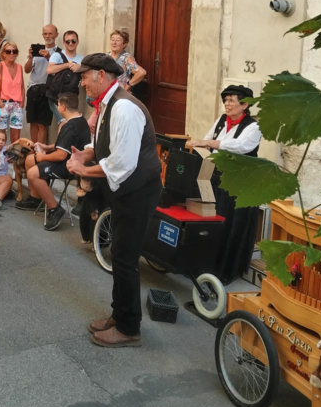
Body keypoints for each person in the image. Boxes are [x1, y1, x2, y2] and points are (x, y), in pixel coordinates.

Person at [66, 54, 163, 349]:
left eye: (85, 77)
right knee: (119, 252)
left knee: (125, 257)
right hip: (127, 190)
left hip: (138, 190)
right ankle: (118, 316)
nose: (81, 83)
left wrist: (84, 169)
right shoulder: (110, 103)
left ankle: (129, 327)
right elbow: (107, 144)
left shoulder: (123, 107)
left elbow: (123, 161)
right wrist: (86, 153)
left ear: (101, 75)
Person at [186, 84, 262, 282]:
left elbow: (240, 147)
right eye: (226, 100)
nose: (227, 104)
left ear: (244, 105)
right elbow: (207, 139)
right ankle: (206, 265)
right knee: (213, 222)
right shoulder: (221, 121)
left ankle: (225, 270)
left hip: (239, 185)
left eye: (231, 100)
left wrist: (211, 144)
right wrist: (199, 144)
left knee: (231, 225)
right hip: (217, 178)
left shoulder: (253, 127)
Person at [17, 92, 92, 228]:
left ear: (63, 107)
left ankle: (55, 209)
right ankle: (35, 199)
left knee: (32, 173)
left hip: (69, 166)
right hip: (69, 160)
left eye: (58, 105)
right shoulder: (80, 120)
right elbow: (64, 146)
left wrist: (43, 156)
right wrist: (46, 146)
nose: (57, 107)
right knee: (29, 160)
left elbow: (60, 156)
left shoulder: (70, 127)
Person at [24, 24, 60, 144]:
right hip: (33, 89)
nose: (47, 36)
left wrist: (49, 57)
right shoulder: (36, 50)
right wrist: (30, 57)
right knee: (33, 122)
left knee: (42, 124)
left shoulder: (59, 53)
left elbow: (59, 70)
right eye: (45, 33)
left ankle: (39, 151)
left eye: (50, 33)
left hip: (48, 90)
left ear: (56, 35)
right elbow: (27, 70)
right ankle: (33, 149)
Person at [45, 30, 84, 122]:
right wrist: (67, 65)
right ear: (64, 43)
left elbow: (85, 78)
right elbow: (49, 70)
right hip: (56, 97)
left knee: (68, 122)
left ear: (77, 42)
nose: (71, 43)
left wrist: (80, 68)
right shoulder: (57, 55)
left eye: (73, 41)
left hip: (72, 98)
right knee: (63, 121)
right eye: (68, 41)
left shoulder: (82, 59)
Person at [0, 39, 25, 143]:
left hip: (16, 105)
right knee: (0, 135)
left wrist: (22, 103)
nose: (11, 54)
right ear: (3, 53)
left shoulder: (19, 67)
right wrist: (0, 103)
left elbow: (22, 86)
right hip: (3, 103)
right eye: (8, 51)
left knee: (15, 137)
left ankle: (13, 158)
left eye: (14, 51)